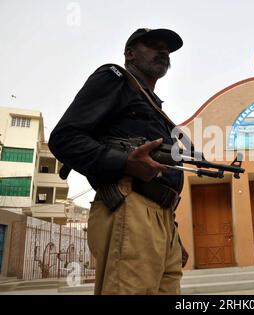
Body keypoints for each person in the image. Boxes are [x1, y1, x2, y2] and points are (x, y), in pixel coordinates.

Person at [48, 28, 189, 295]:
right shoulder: (114, 78)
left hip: (163, 219)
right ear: (130, 53)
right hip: (131, 208)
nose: (162, 51)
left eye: (166, 49)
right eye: (152, 45)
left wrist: (172, 233)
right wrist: (125, 163)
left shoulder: (154, 105)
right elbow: (64, 138)